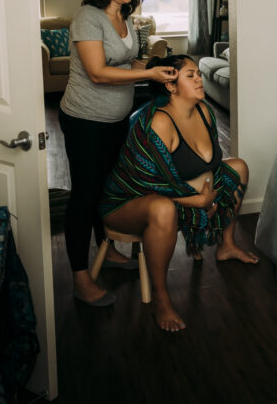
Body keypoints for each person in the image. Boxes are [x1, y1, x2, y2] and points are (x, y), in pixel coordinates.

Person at [100, 54, 258, 331]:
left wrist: (206, 191)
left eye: (198, 73)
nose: (199, 78)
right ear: (171, 86)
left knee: (239, 167)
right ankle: (161, 298)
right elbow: (144, 183)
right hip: (127, 201)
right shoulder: (159, 122)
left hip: (179, 190)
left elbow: (211, 165)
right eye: (191, 75)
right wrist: (196, 199)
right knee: (164, 208)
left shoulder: (204, 110)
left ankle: (227, 245)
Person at [58, 0, 178, 307]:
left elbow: (130, 62)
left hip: (115, 121)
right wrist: (148, 74)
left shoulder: (125, 16)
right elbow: (97, 72)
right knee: (84, 196)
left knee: (107, 189)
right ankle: (80, 276)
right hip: (84, 121)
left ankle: (107, 252)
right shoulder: (87, 18)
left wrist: (156, 65)